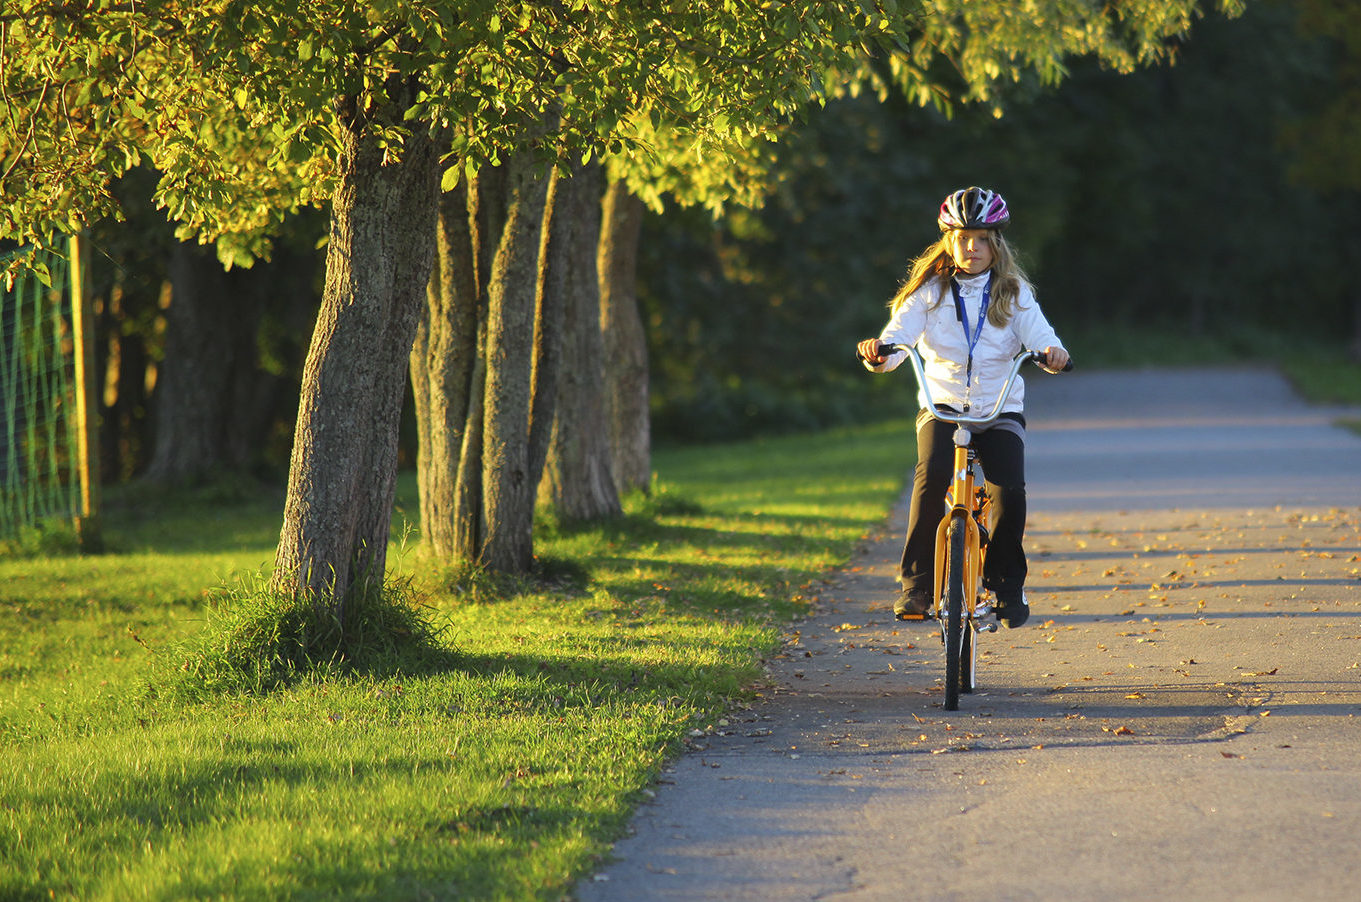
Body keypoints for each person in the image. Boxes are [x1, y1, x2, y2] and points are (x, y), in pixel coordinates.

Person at [856, 186, 1068, 629]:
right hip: (943, 407)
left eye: (983, 239)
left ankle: (1007, 586)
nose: (972, 248)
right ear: (949, 241)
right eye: (963, 238)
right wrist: (880, 353)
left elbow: (1041, 335)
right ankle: (917, 587)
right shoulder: (929, 292)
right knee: (930, 478)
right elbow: (898, 339)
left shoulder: (1014, 293)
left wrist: (1053, 353)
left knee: (1007, 490)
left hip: (998, 410)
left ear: (997, 244)